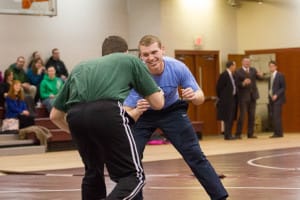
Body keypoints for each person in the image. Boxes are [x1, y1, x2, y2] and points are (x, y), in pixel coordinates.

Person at [50, 35, 164, 200]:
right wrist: (159, 91)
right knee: (133, 177)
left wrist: (79, 132)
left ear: (103, 54)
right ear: (125, 52)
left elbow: (55, 115)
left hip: (75, 117)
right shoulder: (129, 61)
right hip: (106, 113)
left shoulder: (80, 67)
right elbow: (158, 103)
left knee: (93, 173)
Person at [123, 35, 228, 200]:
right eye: (145, 54)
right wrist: (136, 110)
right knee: (131, 158)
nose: (150, 58)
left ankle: (219, 196)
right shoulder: (137, 73)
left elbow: (200, 97)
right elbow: (126, 109)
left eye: (154, 52)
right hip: (144, 114)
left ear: (162, 50)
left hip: (172, 112)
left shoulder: (177, 67)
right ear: (141, 56)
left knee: (194, 154)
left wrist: (193, 95)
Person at [235, 57, 264, 139]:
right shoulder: (238, 71)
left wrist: (261, 75)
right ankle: (238, 134)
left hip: (253, 96)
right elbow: (236, 83)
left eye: (248, 62)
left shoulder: (253, 70)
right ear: (242, 62)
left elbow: (260, 79)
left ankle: (250, 134)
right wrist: (243, 83)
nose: (247, 63)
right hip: (243, 97)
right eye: (246, 62)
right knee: (242, 116)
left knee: (252, 116)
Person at [216, 61, 238, 140]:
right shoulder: (224, 75)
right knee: (227, 117)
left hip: (233, 99)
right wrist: (222, 97)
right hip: (226, 100)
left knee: (231, 117)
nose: (235, 67)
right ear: (231, 66)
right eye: (234, 65)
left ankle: (230, 134)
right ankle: (227, 135)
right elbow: (219, 87)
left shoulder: (233, 75)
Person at [268, 60, 286, 138]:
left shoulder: (280, 75)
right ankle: (277, 132)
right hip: (271, 99)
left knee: (276, 116)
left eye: (272, 66)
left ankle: (278, 133)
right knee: (273, 116)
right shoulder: (270, 76)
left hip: (278, 99)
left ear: (276, 67)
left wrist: (276, 95)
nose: (271, 67)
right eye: (270, 66)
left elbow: (283, 88)